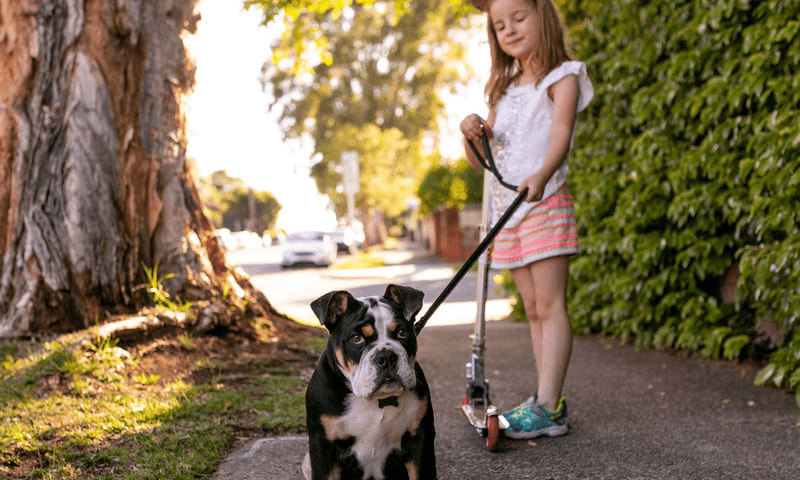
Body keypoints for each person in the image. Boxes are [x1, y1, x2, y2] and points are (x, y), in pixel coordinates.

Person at [460, 0, 593, 439]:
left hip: (544, 202)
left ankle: (551, 406)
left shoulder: (564, 76)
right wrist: (472, 132)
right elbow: (484, 159)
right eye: (500, 26)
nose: (510, 30)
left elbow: (561, 133)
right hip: (509, 212)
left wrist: (542, 173)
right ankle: (542, 399)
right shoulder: (504, 88)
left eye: (519, 18)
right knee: (533, 308)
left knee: (551, 304)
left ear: (543, 17)